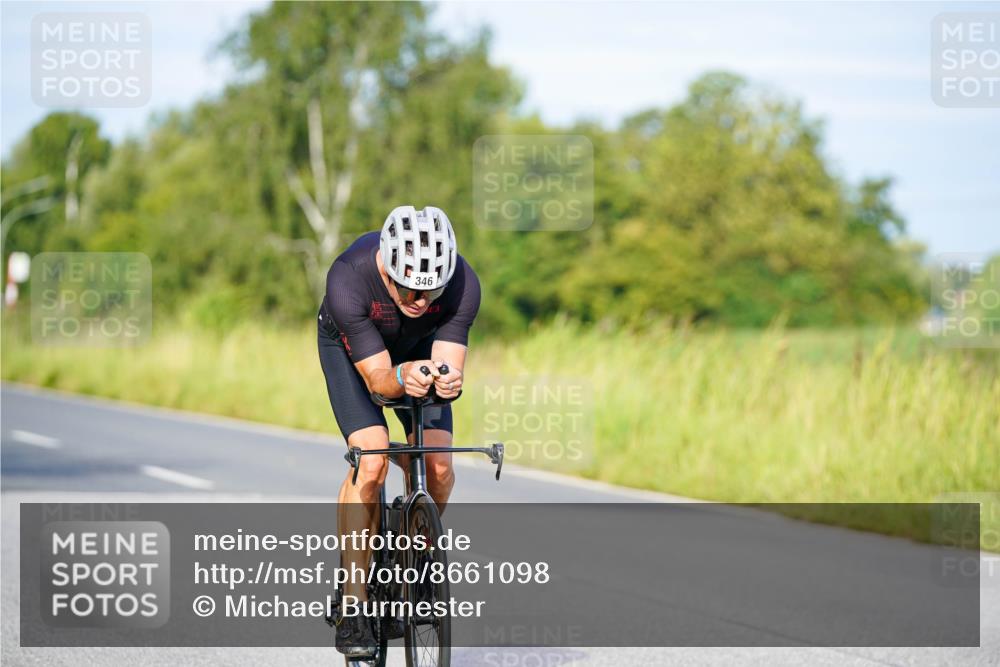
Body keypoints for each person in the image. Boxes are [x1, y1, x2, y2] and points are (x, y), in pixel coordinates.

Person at [317, 205, 480, 657]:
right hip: (354, 351)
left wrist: (448, 381)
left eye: (432, 292)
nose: (420, 300)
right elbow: (381, 384)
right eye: (408, 288)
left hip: (419, 350)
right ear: (388, 266)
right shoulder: (348, 279)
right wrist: (403, 374)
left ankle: (415, 557)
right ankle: (354, 600)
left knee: (439, 468)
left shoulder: (464, 285)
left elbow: (450, 365)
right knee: (370, 462)